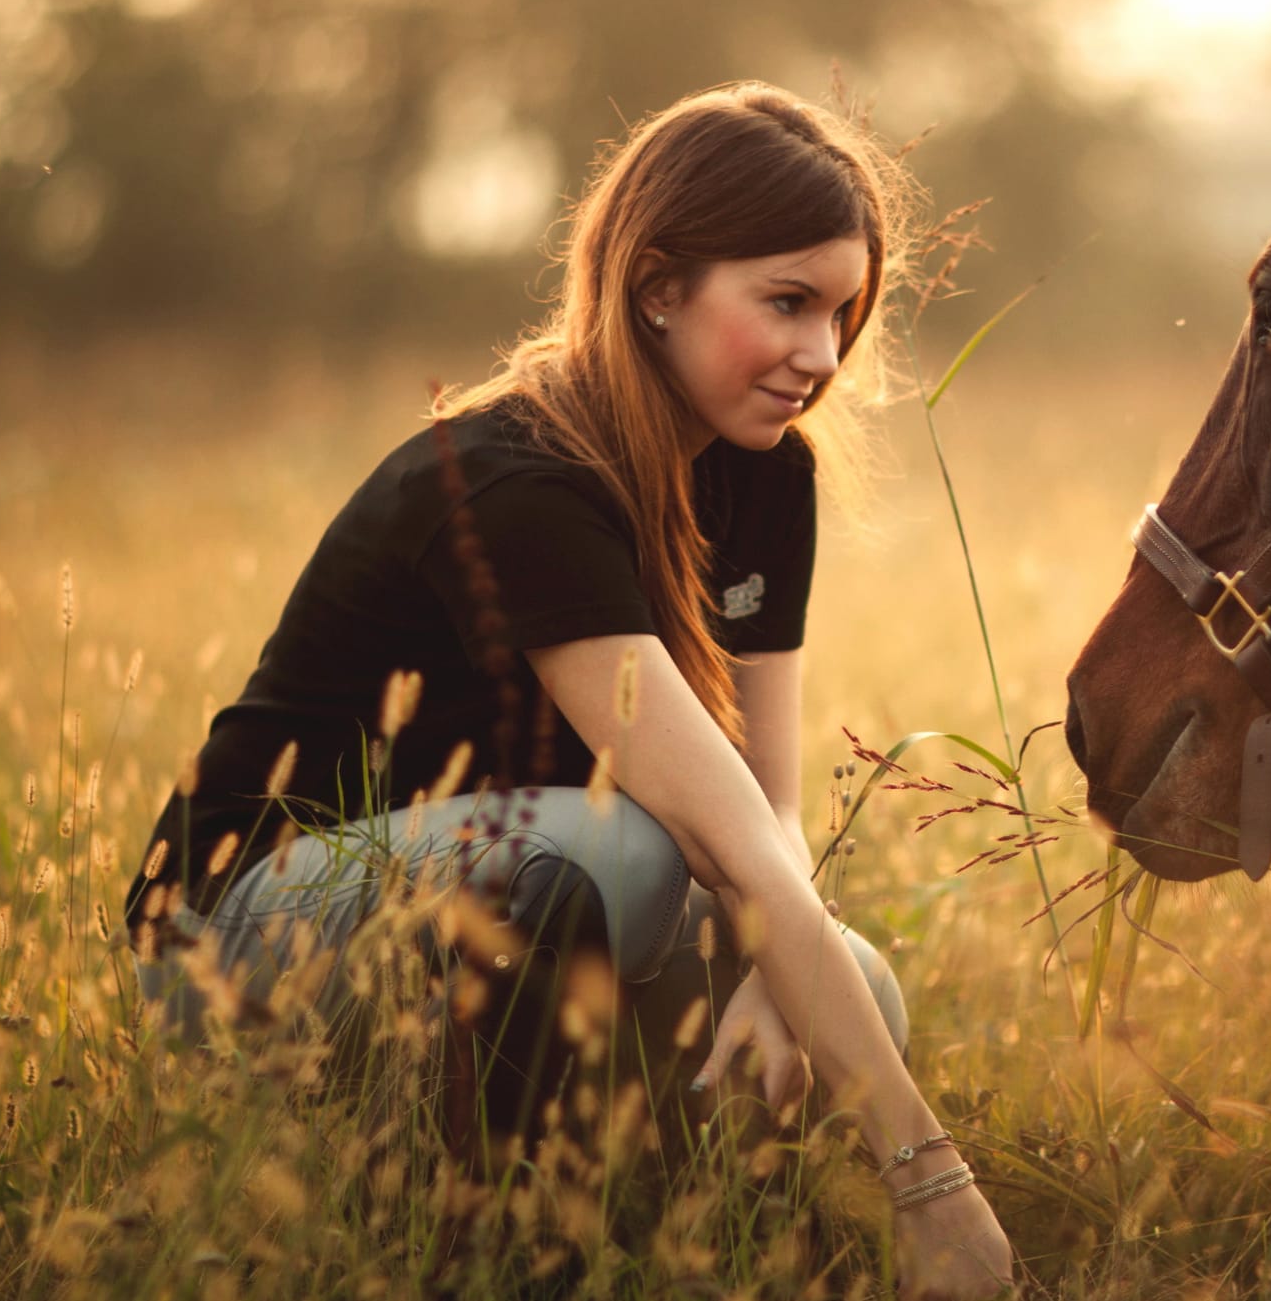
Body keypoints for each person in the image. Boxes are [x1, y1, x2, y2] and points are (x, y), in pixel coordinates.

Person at [122, 82, 1015, 1297]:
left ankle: (681, 1232)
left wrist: (769, 967)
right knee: (635, 857)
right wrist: (932, 1181)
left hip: (524, 895)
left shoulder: (767, 477)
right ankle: (501, 1247)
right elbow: (714, 841)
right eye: (788, 302)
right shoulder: (517, 474)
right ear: (657, 286)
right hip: (239, 932)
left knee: (851, 988)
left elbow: (768, 814)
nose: (824, 354)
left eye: (845, 310)